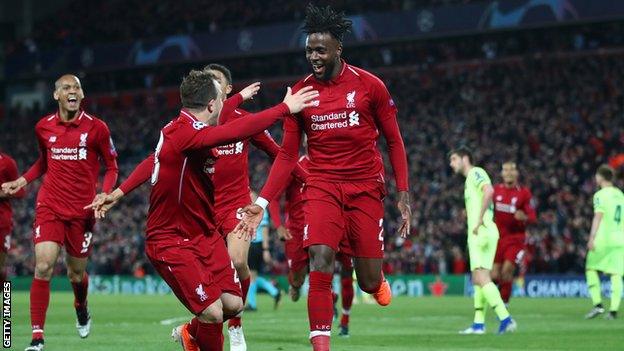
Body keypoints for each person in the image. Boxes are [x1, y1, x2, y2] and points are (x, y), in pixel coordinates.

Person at [86, 69, 318, 351]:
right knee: (212, 313)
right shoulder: (189, 134)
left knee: (233, 304)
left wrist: (118, 193)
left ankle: (190, 332)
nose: (226, 102)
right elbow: (231, 130)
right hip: (172, 239)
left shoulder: (179, 128)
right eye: (221, 98)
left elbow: (233, 127)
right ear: (212, 104)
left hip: (204, 232)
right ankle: (202, 338)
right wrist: (284, 109)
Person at [235, 5, 411, 350]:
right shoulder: (300, 93)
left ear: (338, 49)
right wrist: (261, 202)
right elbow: (287, 155)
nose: (313, 56)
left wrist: (403, 193)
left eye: (320, 50)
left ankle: (376, 282)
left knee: (368, 281)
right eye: (308, 50)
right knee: (320, 257)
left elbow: (394, 140)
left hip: (365, 188)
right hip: (321, 185)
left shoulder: (369, 86)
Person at [2, 74, 119, 351]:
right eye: (66, 87)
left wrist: (105, 192)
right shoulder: (43, 126)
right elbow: (44, 161)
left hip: (83, 210)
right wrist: (23, 180)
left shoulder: (97, 128)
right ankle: (37, 337)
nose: (72, 91)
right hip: (50, 205)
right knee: (42, 266)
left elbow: (112, 166)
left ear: (82, 94)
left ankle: (81, 305)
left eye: (77, 87)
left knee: (76, 275)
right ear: (56, 95)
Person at [205, 63, 306, 351]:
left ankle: (236, 325)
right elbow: (217, 115)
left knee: (238, 262)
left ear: (226, 88)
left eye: (215, 81)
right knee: (210, 275)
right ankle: (202, 329)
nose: (209, 85)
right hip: (202, 207)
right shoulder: (198, 122)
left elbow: (279, 153)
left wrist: (309, 179)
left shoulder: (244, 120)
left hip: (236, 204)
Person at [448, 146, 516, 335]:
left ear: (464, 158)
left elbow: (489, 191)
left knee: (480, 277)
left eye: (454, 159)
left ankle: (505, 318)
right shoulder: (469, 180)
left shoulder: (476, 173)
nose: (451, 164)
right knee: (478, 279)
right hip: (480, 231)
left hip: (482, 231)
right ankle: (479, 324)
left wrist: (478, 219)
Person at [491, 161, 536, 304]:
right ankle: (498, 297)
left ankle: (504, 304)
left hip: (515, 239)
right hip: (497, 239)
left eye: (512, 169)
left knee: (507, 270)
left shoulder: (524, 193)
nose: (509, 172)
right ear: (502, 174)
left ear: (517, 173)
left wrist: (525, 217)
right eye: (505, 170)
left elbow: (533, 217)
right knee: (494, 275)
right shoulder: (495, 191)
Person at [584, 165, 624, 320]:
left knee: (590, 268)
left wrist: (592, 237)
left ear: (600, 177)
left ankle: (598, 305)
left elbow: (598, 216)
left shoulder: (600, 195)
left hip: (603, 238)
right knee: (616, 274)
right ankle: (613, 311)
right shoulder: (620, 195)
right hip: (620, 240)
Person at [246, 191, 281, 312]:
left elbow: (265, 230)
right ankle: (274, 291)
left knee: (251, 275)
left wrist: (266, 249)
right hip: (250, 244)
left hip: (256, 245)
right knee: (251, 275)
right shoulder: (249, 209)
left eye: (251, 196)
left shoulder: (261, 210)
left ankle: (252, 304)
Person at [0, 151, 26, 283]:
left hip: (2, 221)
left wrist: (3, 193)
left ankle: (6, 302)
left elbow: (20, 191)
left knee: (1, 268)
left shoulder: (7, 163)